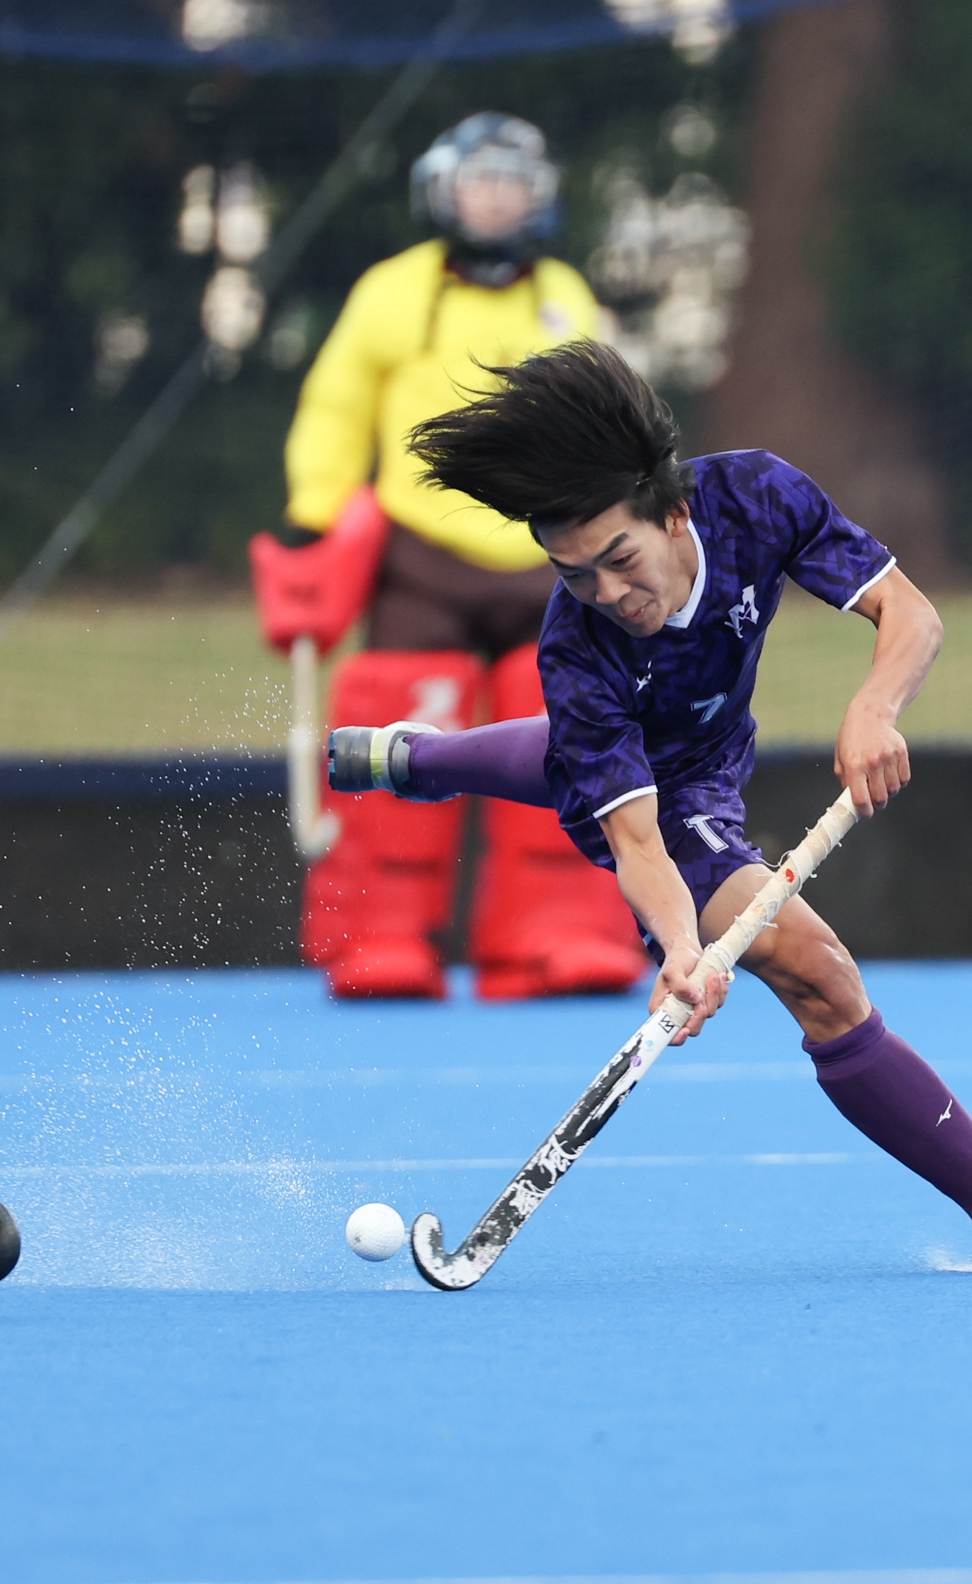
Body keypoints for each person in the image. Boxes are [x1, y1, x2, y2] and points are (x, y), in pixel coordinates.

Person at [324, 339, 972, 1271]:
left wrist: (873, 708)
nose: (608, 593)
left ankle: (415, 757)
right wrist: (679, 949)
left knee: (566, 756)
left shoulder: (756, 496)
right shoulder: (576, 646)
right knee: (816, 972)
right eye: (575, 575)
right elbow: (636, 841)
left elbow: (912, 614)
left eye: (619, 559)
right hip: (662, 802)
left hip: (711, 749)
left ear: (673, 512)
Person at [250, 112, 648, 1004]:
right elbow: (337, 405)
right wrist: (315, 511)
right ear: (443, 191)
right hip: (421, 559)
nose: (497, 200)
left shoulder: (565, 296)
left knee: (570, 739)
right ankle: (380, 934)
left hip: (551, 566)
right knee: (399, 735)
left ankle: (560, 931)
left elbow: (612, 413)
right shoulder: (392, 292)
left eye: (514, 184)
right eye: (481, 182)